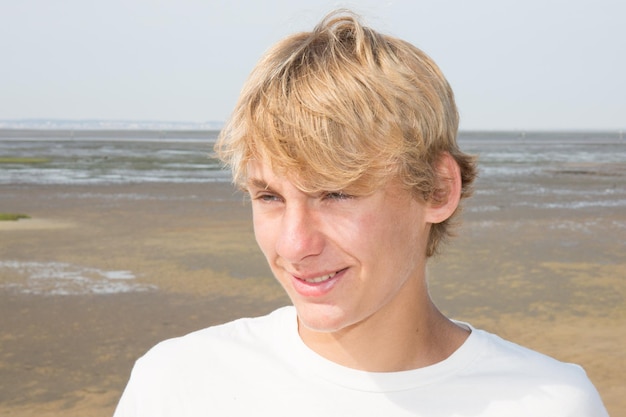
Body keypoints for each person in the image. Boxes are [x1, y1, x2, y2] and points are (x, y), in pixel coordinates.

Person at [114, 10, 608, 416]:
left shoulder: (550, 403)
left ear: (437, 190)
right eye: (269, 197)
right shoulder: (176, 384)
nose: (294, 244)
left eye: (335, 194)